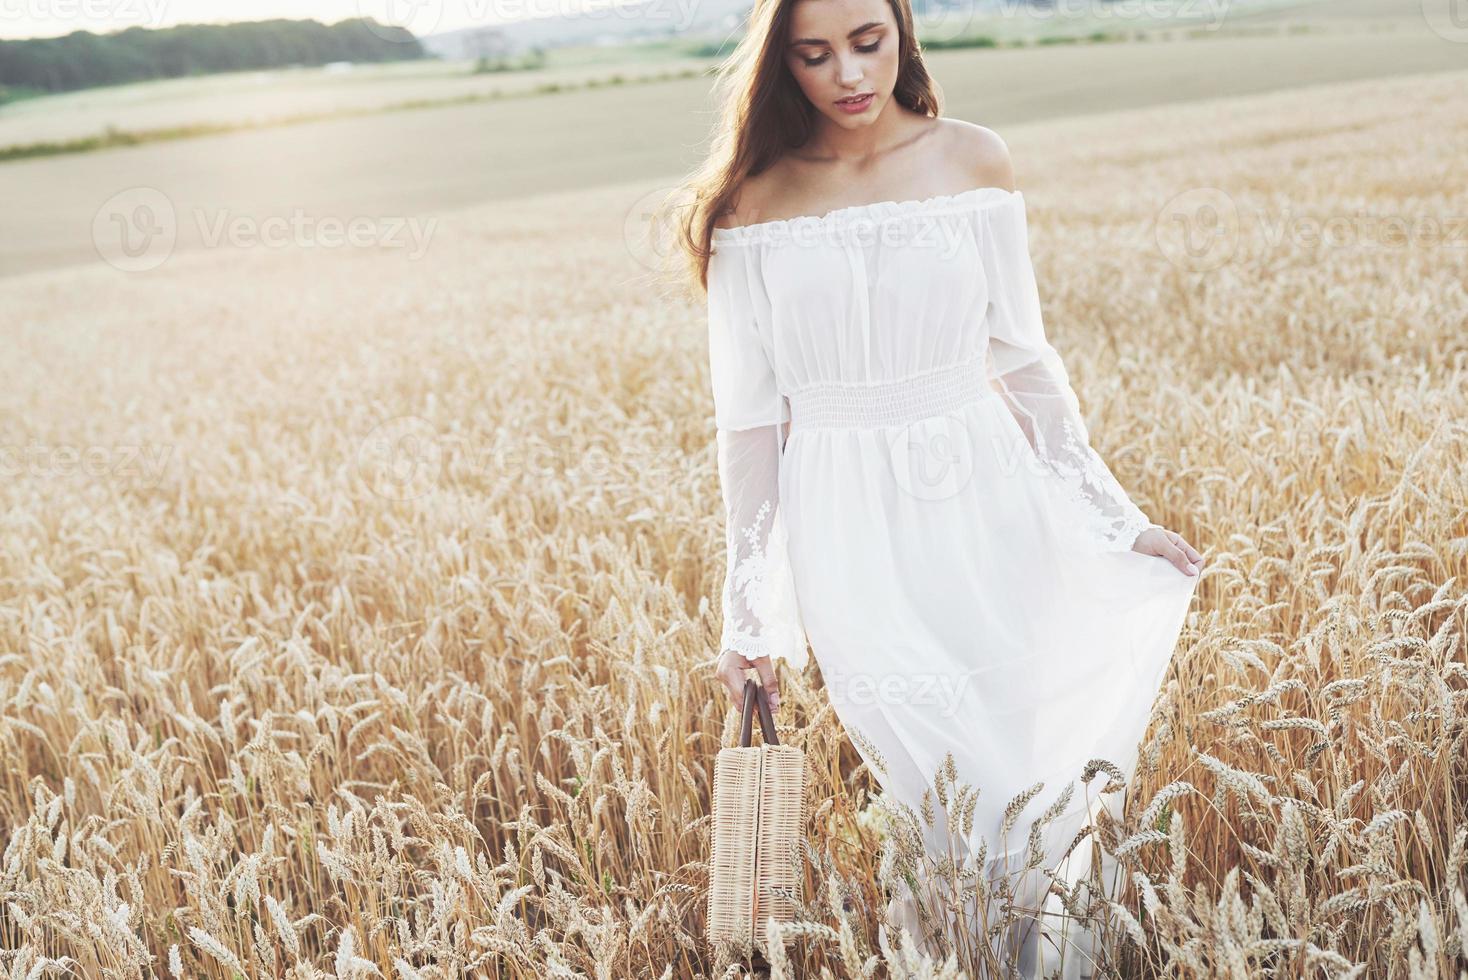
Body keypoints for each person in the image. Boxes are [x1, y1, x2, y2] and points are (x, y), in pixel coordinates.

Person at [660, 0, 1204, 972]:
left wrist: (1118, 521)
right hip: (848, 532)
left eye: (867, 42)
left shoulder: (973, 160)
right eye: (815, 54)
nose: (848, 74)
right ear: (781, 65)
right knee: (940, 782)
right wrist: (748, 613)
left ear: (902, 30)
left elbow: (1026, 366)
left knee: (1026, 767)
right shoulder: (750, 202)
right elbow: (748, 427)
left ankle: (1051, 960)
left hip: (993, 506)